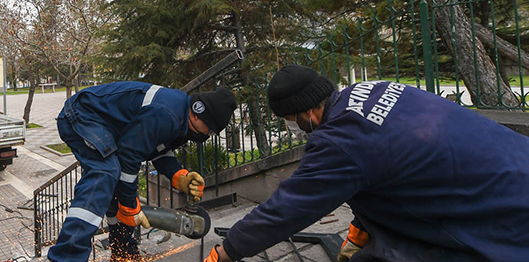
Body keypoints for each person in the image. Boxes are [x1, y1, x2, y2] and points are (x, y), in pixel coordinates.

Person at [203, 65, 529, 262]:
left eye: (290, 119)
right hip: (515, 163)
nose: (293, 127)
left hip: (499, 211)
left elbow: (287, 209)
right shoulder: (372, 90)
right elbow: (383, 166)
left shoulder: (339, 140)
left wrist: (228, 250)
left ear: (305, 113)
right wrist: (360, 230)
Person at [47, 82, 238, 262]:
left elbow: (157, 148)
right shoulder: (167, 114)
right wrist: (130, 205)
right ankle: (67, 255)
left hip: (103, 125)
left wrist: (179, 175)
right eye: (210, 131)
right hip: (82, 115)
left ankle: (124, 254)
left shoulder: (180, 117)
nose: (208, 135)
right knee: (106, 172)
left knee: (118, 190)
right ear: (198, 114)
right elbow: (129, 155)